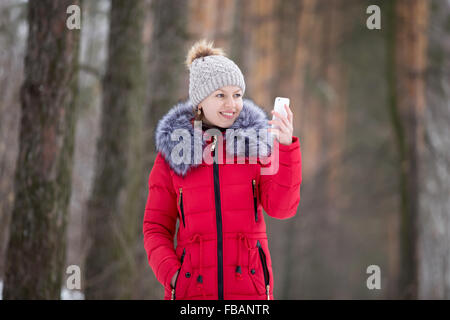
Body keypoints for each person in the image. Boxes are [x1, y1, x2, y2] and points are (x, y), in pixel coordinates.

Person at [143, 39, 302, 300]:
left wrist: (285, 148)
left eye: (237, 94)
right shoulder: (174, 153)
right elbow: (155, 227)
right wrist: (174, 277)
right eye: (220, 95)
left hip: (249, 295)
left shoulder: (256, 147)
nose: (232, 104)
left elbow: (282, 209)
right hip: (193, 295)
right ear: (200, 102)